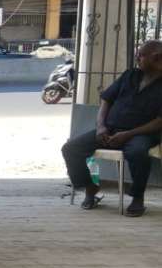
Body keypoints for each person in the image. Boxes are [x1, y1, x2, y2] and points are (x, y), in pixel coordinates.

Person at [62, 40, 162, 217]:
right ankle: (90, 186)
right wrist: (101, 126)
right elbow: (107, 99)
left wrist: (128, 134)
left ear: (156, 58)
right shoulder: (130, 75)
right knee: (71, 149)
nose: (137, 57)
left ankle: (137, 197)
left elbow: (159, 122)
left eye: (141, 55)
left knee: (138, 152)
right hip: (110, 130)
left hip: (141, 133)